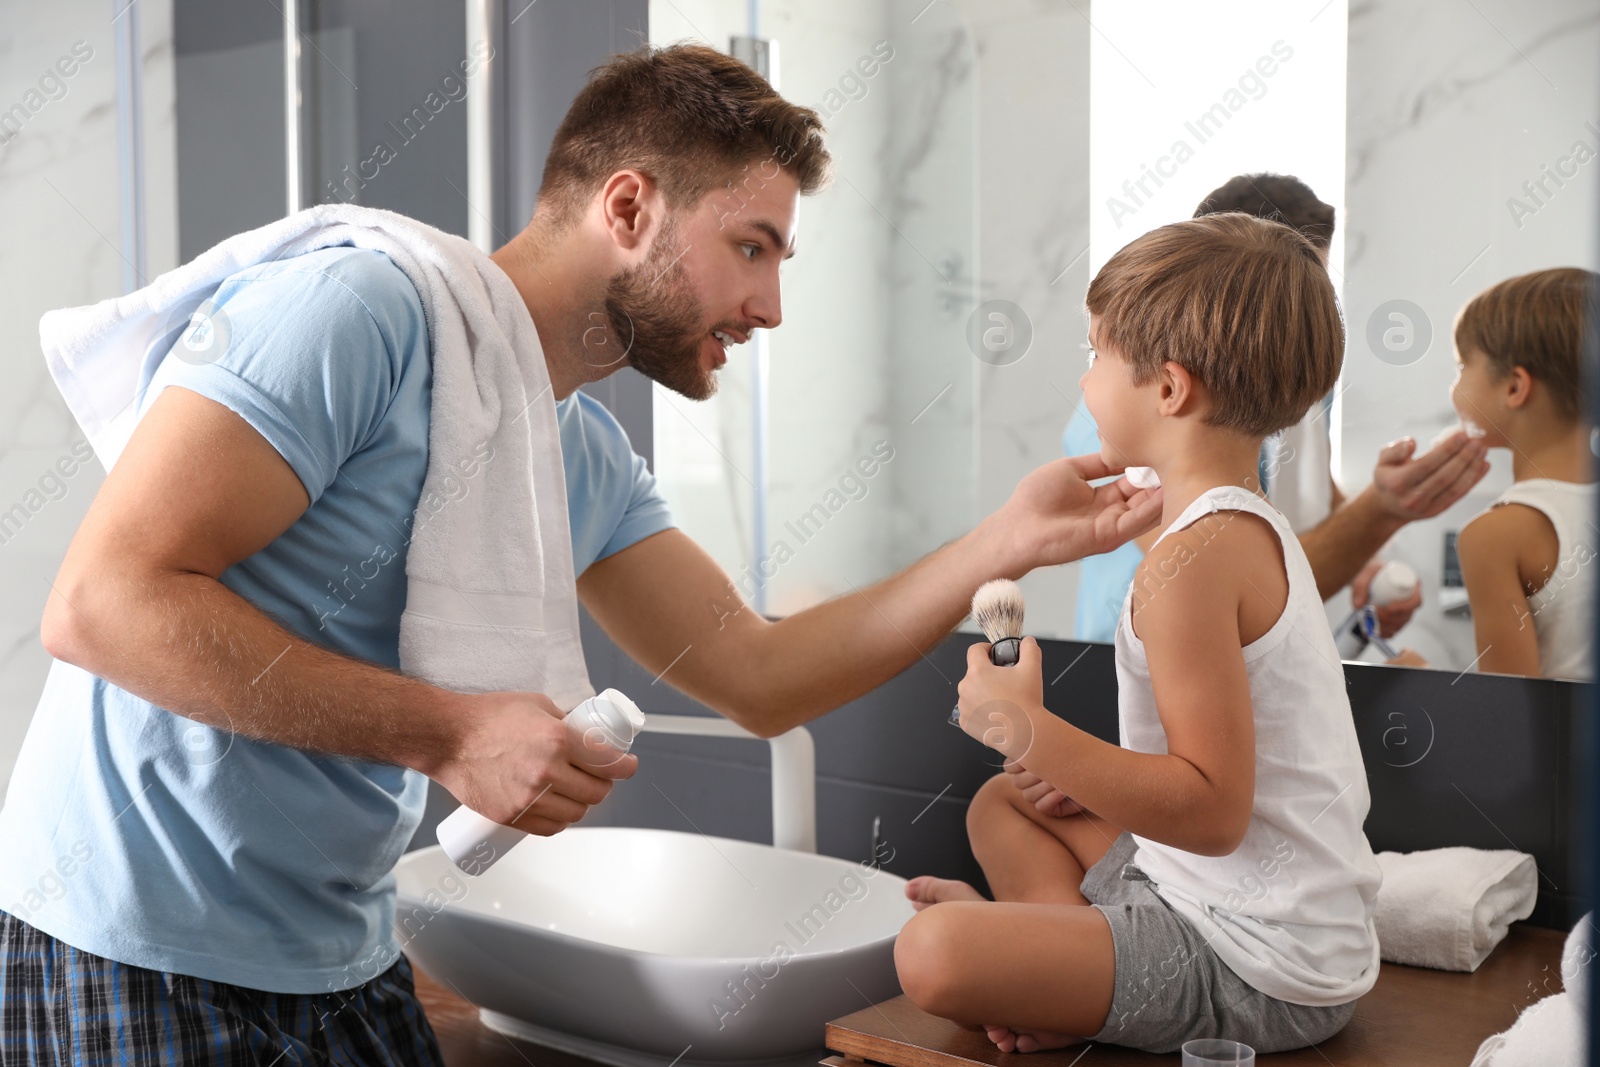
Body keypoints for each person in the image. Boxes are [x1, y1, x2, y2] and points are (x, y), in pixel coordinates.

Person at [0, 44, 1163, 1063]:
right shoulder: (353, 312)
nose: (767, 307)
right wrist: (449, 733)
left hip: (334, 949)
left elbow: (759, 675)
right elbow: (101, 603)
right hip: (130, 932)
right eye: (749, 247)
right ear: (627, 208)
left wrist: (1003, 540)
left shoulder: (572, 449)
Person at [895, 215, 1379, 1054]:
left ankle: (1039, 973)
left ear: (1169, 388)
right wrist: (1063, 773)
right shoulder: (1240, 527)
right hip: (1208, 893)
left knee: (930, 953)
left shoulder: (1189, 563)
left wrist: (1027, 730)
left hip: (1256, 960)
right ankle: (1054, 981)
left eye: (1094, 354)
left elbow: (1213, 809)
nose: (1084, 384)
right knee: (1005, 802)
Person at [1065, 173, 1486, 646]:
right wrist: (1379, 513)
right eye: (1284, 301)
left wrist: (1368, 564)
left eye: (1315, 292)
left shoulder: (1287, 378)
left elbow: (1313, 492)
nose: (1304, 319)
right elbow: (1241, 586)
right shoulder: (1120, 420)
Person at [1449, 268, 1597, 680]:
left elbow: (1508, 712)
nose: (1456, 382)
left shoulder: (1494, 537)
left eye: (1463, 365)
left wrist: (1418, 673)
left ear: (1514, 388)